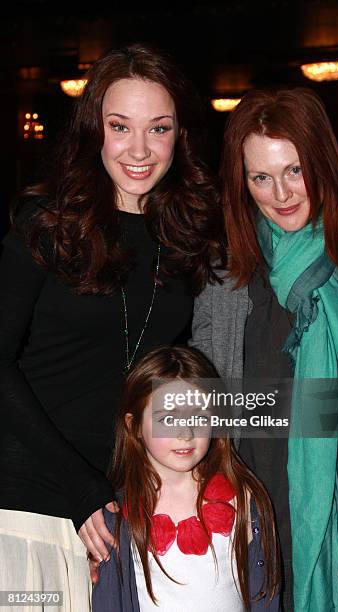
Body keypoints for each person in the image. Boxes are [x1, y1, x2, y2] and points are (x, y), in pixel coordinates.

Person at [0, 43, 225, 610]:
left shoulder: (187, 238)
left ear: (181, 136)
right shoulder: (46, 223)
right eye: (120, 126)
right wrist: (80, 488)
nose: (140, 150)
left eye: (160, 128)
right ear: (92, 130)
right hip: (28, 500)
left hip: (118, 508)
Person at [190, 87, 338, 611]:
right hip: (258, 507)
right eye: (261, 177)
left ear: (325, 165)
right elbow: (208, 396)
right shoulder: (222, 272)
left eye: (295, 170)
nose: (281, 193)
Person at [92, 345, 280, 611]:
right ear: (134, 426)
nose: (186, 433)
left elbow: (265, 593)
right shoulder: (114, 515)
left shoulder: (245, 498)